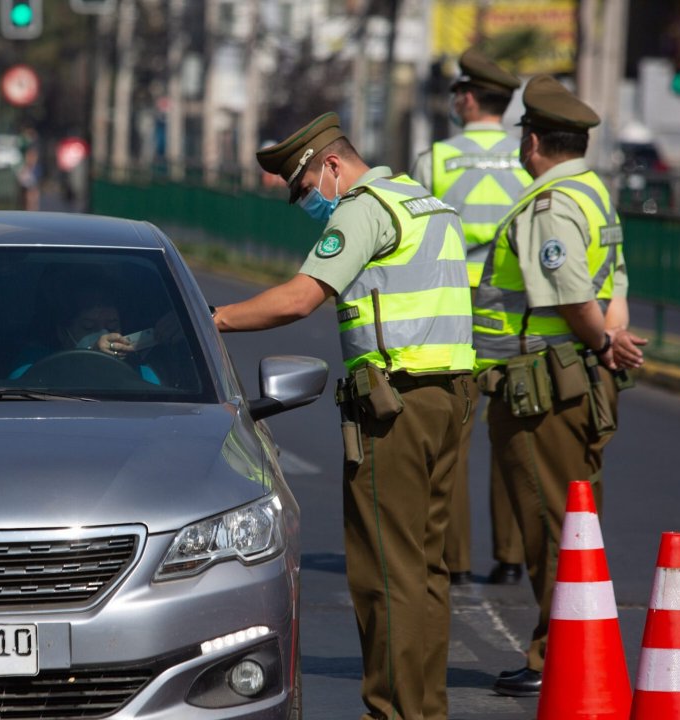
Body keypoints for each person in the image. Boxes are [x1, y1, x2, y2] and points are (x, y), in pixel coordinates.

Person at [211, 112, 474, 720]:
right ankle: (424, 709)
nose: (305, 202)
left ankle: (391, 712)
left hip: (395, 406)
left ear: (331, 165)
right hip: (451, 397)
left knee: (386, 570)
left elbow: (301, 297)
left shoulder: (362, 206)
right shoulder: (425, 202)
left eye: (304, 189)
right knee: (428, 570)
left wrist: (214, 316)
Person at [473, 76, 647, 697]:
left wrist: (601, 342)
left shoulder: (549, 207)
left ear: (534, 140)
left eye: (525, 136)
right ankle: (574, 644)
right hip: (579, 375)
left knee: (551, 523)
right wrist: (607, 348)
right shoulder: (594, 192)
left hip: (542, 384)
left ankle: (555, 655)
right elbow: (614, 280)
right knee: (576, 518)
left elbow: (572, 295)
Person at [412, 47, 530, 588]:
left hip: (454, 318)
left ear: (465, 97)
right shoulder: (531, 157)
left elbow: (416, 244)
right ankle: (511, 556)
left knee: (451, 439)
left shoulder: (434, 159)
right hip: (515, 316)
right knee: (514, 437)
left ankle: (452, 561)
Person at [9, 282, 161, 384]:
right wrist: (90, 357)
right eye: (88, 327)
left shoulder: (140, 374)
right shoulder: (34, 366)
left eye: (112, 326)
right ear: (63, 333)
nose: (103, 335)